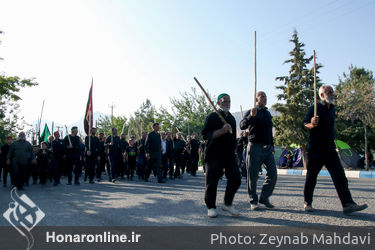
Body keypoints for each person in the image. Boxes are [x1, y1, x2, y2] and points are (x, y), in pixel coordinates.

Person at [302, 85, 368, 214]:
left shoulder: (332, 109)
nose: (332, 94)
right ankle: (307, 202)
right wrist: (312, 123)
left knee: (340, 177)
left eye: (332, 92)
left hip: (330, 149)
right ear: (321, 95)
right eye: (329, 92)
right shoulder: (313, 109)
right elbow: (304, 124)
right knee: (311, 178)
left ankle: (348, 204)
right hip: (315, 150)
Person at [202, 93, 241, 218]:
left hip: (229, 154)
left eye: (229, 101)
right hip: (213, 154)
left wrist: (236, 154)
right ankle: (211, 207)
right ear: (218, 103)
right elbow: (205, 135)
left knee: (236, 178)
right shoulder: (212, 117)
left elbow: (233, 138)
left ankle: (228, 203)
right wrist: (221, 131)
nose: (227, 104)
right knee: (212, 182)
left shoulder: (232, 119)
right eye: (224, 101)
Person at [240, 91, 277, 211]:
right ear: (256, 99)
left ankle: (264, 197)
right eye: (262, 96)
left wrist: (272, 146)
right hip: (255, 147)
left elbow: (269, 132)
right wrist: (251, 116)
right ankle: (253, 200)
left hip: (268, 148)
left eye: (265, 96)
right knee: (253, 176)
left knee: (273, 174)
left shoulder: (267, 113)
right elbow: (242, 125)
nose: (265, 98)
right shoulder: (252, 110)